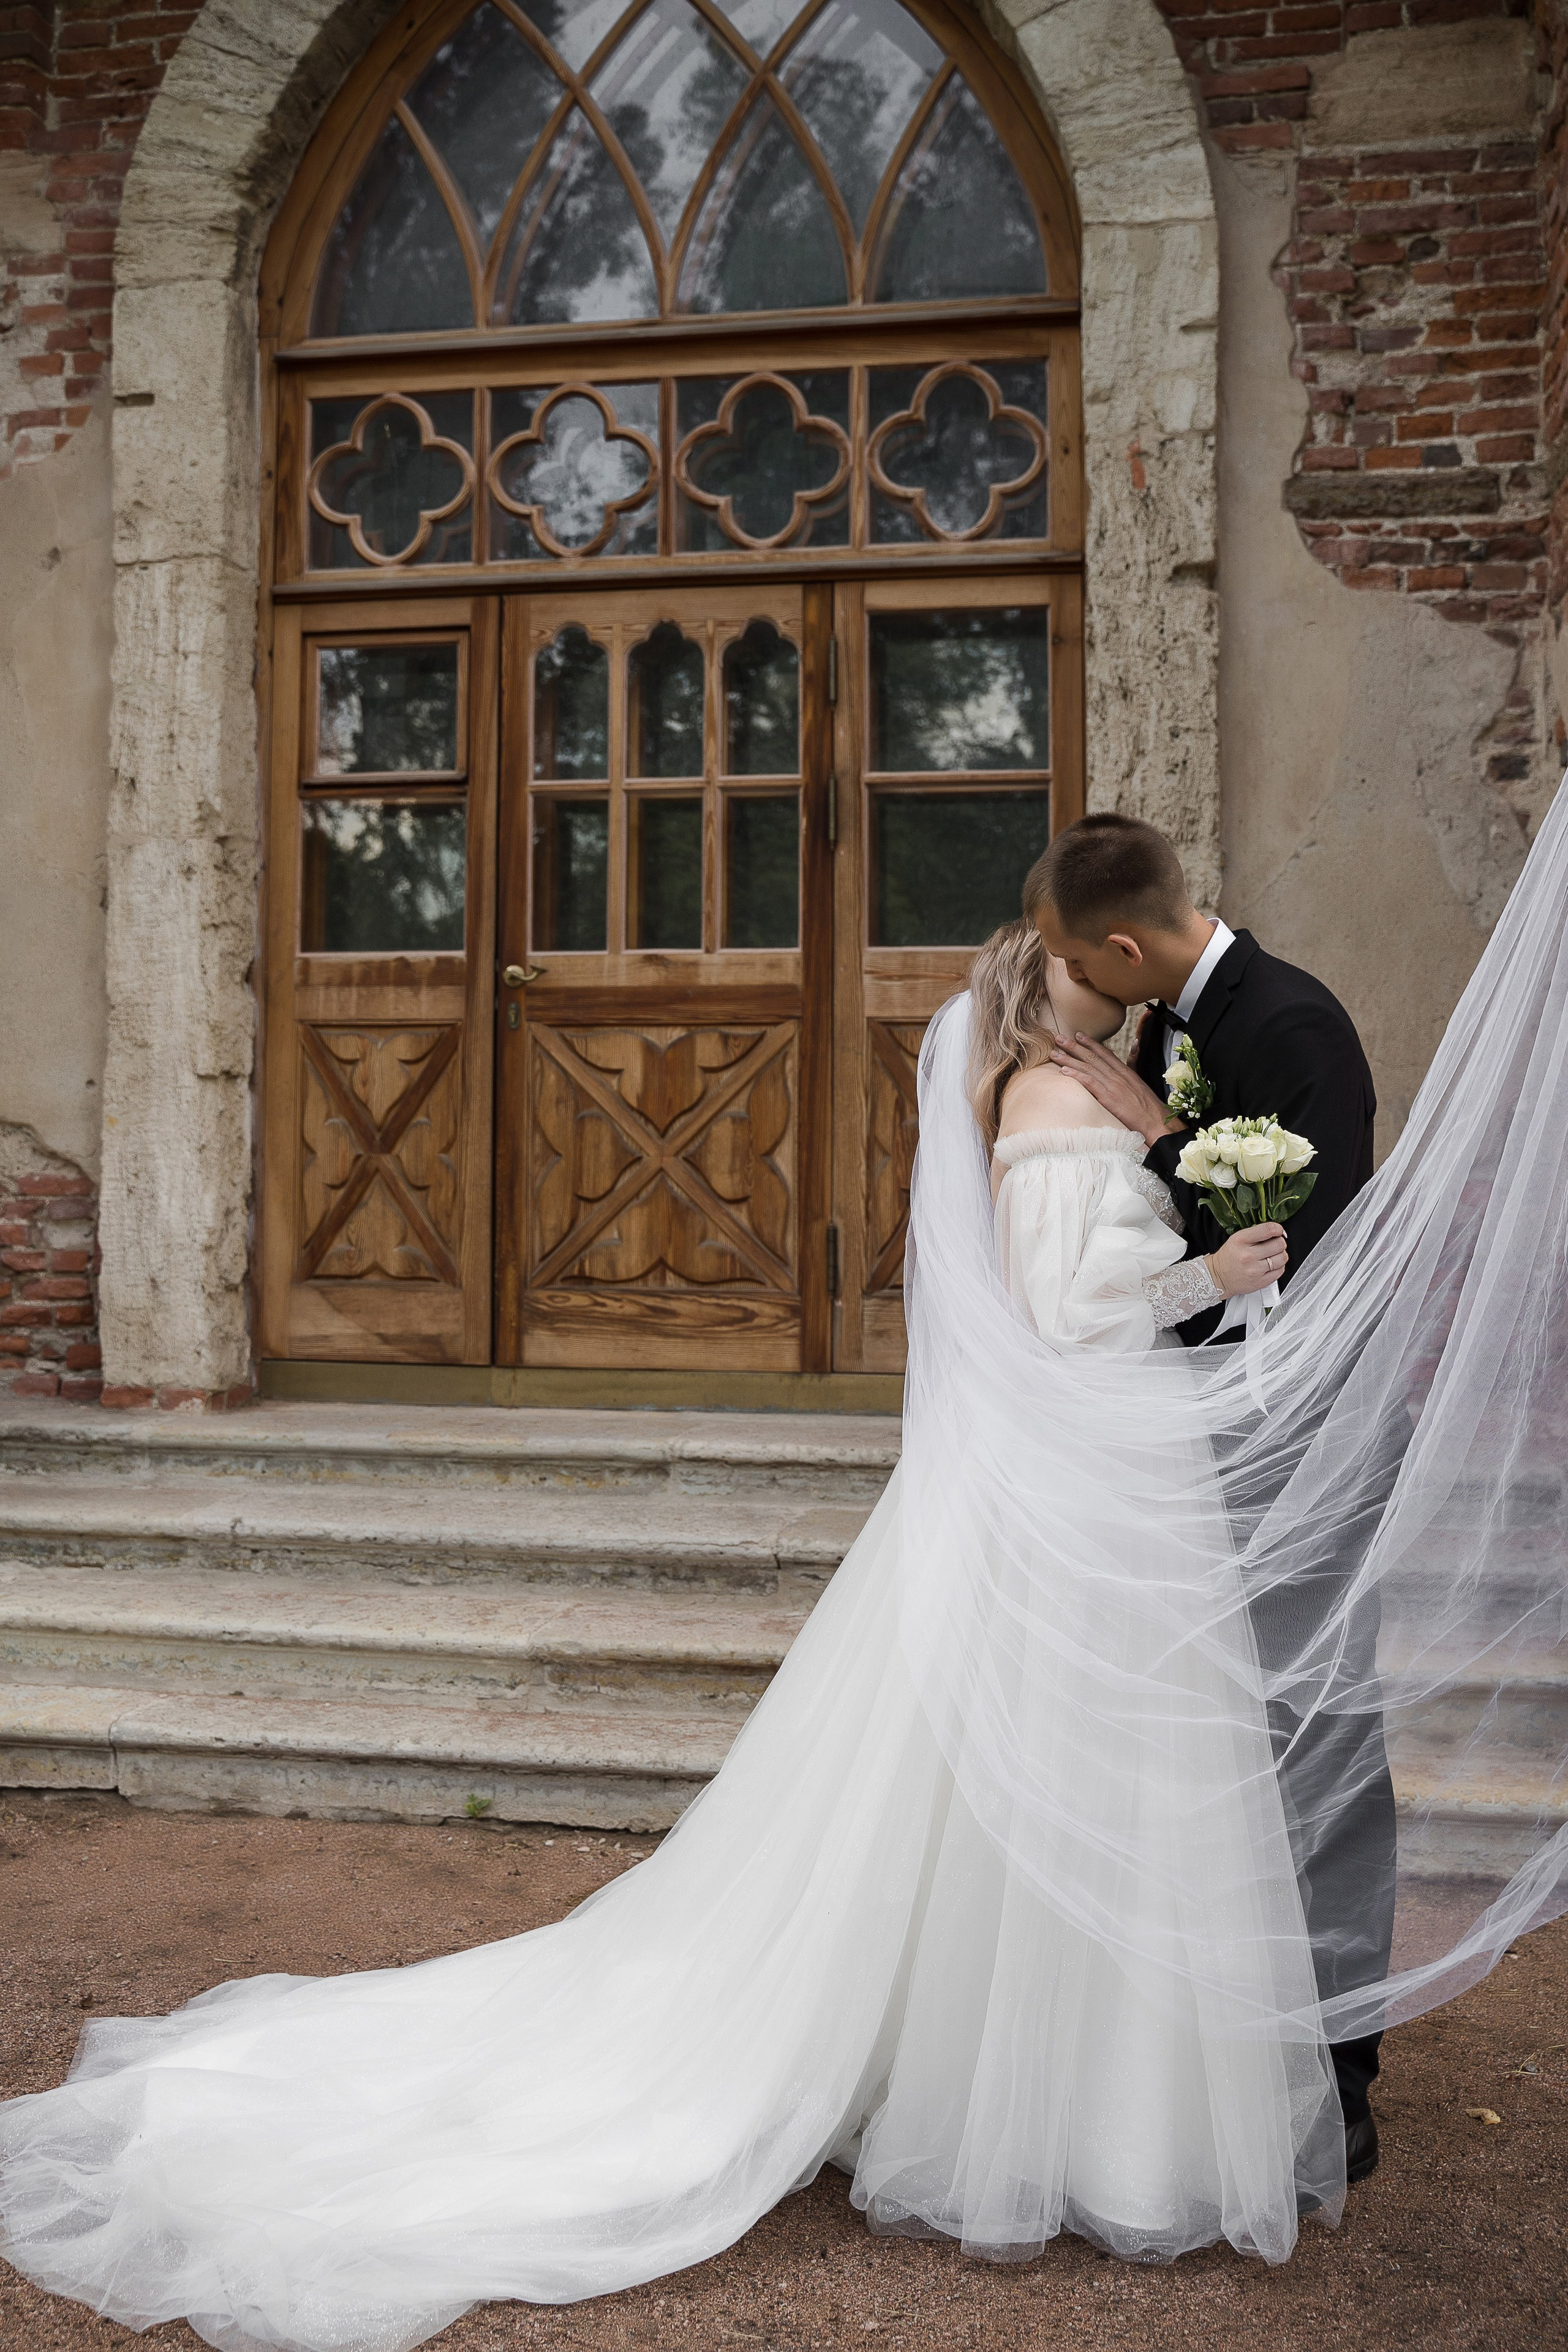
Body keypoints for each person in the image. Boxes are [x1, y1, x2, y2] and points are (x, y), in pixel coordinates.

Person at [4, 797, 1568, 2352]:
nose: (1130, 1028)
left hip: (1181, 1456)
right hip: (1126, 1453)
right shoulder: (1065, 1087)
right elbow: (1068, 1306)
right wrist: (1198, 1267)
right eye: (1105, 1006)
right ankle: (1063, 2108)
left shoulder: (1252, 1031)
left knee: (1191, 1768)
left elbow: (1322, 1235)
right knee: (1108, 1777)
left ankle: (1236, 2079)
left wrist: (1179, 1189)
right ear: (1080, 974)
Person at [1027, 816, 1393, 2177]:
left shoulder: (1291, 1022)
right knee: (1217, 1737)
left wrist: (1164, 1130)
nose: (1073, 981)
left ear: (1122, 947)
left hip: (1305, 1428)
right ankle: (1227, 2036)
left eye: (1075, 960)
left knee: (1317, 1726)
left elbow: (1321, 1249)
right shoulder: (1167, 1023)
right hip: (1194, 1429)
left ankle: (1337, 2062)